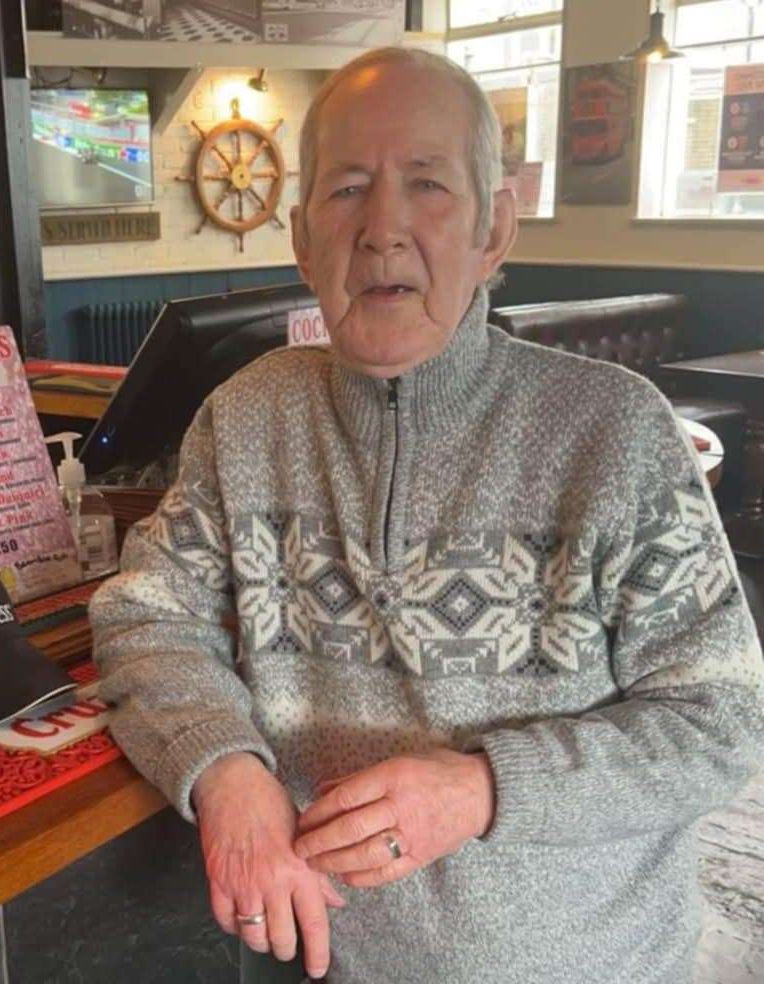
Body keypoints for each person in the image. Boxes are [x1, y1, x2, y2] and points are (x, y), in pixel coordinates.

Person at [89, 46, 764, 984]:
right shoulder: (246, 418)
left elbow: (723, 720)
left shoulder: (614, 432)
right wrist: (224, 771)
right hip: (338, 960)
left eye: (429, 185)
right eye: (347, 190)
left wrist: (485, 789)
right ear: (301, 239)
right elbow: (146, 614)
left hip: (594, 964)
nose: (382, 229)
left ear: (495, 230)